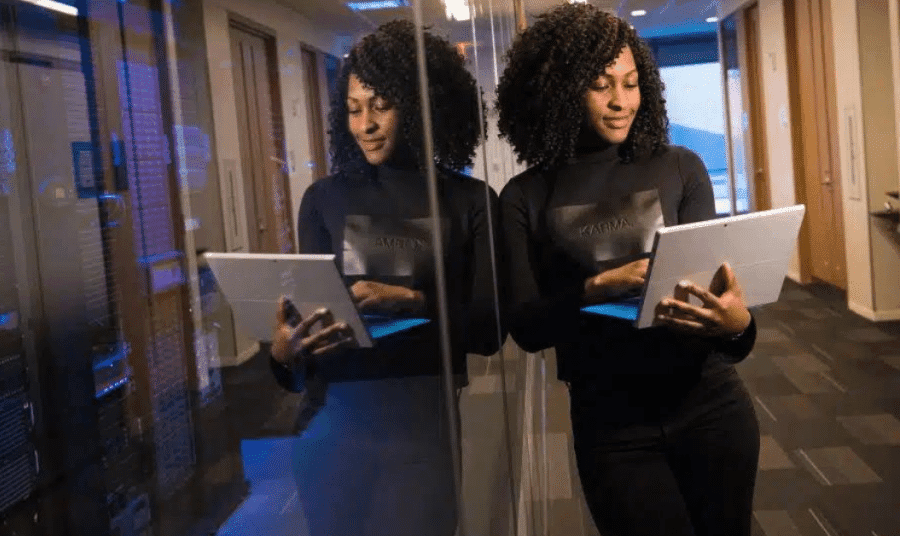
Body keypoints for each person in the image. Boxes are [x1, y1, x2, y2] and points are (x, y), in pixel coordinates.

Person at [495, 4, 760, 536]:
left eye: (632, 83)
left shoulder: (680, 166)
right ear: (560, 91)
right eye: (601, 85)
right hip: (612, 427)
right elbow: (526, 327)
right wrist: (593, 289)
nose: (621, 101)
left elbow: (720, 316)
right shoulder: (525, 196)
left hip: (710, 406)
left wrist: (739, 327)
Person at [267, 19, 503, 536]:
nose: (365, 124)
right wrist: (284, 354)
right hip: (329, 427)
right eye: (353, 109)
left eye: (381, 106)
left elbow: (488, 331)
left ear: (421, 108)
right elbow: (311, 341)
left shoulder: (470, 201)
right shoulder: (324, 200)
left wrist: (412, 300)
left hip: (421, 430)